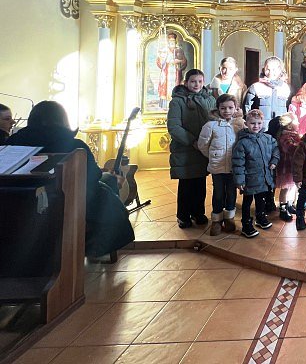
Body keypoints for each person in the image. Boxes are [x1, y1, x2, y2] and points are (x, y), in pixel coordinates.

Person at [5, 101, 134, 257]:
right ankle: (96, 246)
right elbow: (92, 178)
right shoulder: (75, 146)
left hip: (13, 211)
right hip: (66, 209)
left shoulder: (10, 146)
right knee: (108, 181)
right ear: (63, 120)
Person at [166, 68, 216, 228]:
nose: (197, 84)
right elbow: (174, 127)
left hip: (203, 149)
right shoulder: (177, 101)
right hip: (186, 149)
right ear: (186, 82)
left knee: (200, 183)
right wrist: (193, 141)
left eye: (200, 81)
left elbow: (215, 119)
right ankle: (183, 215)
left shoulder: (209, 99)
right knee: (186, 184)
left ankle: (198, 212)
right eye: (193, 81)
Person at [197, 94, 244, 236]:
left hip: (233, 167)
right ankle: (216, 220)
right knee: (218, 193)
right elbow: (203, 145)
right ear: (218, 108)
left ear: (235, 108)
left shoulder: (239, 125)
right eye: (223, 108)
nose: (227, 111)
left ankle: (229, 218)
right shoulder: (210, 125)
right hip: (217, 167)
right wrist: (213, 156)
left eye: (230, 108)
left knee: (231, 193)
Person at [232, 109, 279, 238]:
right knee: (247, 202)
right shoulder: (242, 142)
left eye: (259, 123)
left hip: (263, 178)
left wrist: (274, 161)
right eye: (252, 123)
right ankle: (246, 224)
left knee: (261, 199)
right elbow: (238, 163)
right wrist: (240, 180)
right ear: (246, 123)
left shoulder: (267, 138)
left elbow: (276, 148)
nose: (256, 126)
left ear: (262, 123)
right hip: (249, 179)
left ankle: (260, 217)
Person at [243, 56, 291, 122]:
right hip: (260, 125)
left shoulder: (285, 88)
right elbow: (247, 107)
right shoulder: (256, 87)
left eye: (274, 69)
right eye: (268, 69)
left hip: (279, 125)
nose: (270, 72)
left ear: (280, 70)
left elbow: (288, 109)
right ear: (264, 70)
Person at [275, 112, 302, 221]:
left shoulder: (295, 135)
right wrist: (301, 145)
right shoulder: (285, 136)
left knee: (292, 187)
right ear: (289, 125)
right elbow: (290, 148)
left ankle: (289, 204)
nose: (298, 122)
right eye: (296, 121)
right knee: (285, 188)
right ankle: (283, 207)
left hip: (292, 166)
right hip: (286, 167)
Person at [156, 32, 188, 109]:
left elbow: (184, 61)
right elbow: (159, 61)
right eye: (170, 41)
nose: (172, 42)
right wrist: (165, 61)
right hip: (167, 72)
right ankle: (165, 105)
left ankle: (176, 104)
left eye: (173, 41)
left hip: (176, 71)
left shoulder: (179, 50)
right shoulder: (164, 50)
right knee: (165, 86)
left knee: (176, 85)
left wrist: (179, 61)